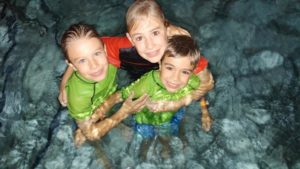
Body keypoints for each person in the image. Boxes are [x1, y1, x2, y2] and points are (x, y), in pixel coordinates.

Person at [58, 0, 214, 131]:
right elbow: (86, 49)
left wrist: (175, 103)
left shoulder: (180, 51)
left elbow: (206, 83)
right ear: (131, 39)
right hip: (143, 81)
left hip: (176, 87)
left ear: (166, 30)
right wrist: (65, 81)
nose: (150, 46)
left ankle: (204, 109)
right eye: (139, 38)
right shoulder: (123, 49)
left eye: (155, 33)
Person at [95, 35, 203, 138]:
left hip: (171, 116)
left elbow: (200, 91)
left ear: (192, 72)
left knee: (169, 137)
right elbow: (119, 95)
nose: (175, 78)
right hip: (145, 121)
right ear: (160, 64)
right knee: (145, 143)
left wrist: (204, 111)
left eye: (184, 72)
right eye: (170, 68)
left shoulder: (192, 80)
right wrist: (96, 116)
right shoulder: (148, 83)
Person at [60, 23, 149, 147]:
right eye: (82, 60)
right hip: (89, 108)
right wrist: (124, 112)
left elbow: (149, 41)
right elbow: (91, 134)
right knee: (91, 137)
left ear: (105, 48)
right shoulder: (78, 97)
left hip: (108, 93)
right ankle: (85, 128)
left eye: (97, 53)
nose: (94, 65)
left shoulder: (111, 52)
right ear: (72, 65)